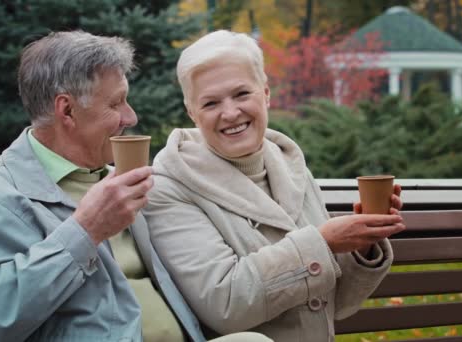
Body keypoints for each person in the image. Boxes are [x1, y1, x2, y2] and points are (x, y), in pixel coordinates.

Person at [0, 31, 272, 342]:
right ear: (67, 110)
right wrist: (84, 232)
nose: (131, 116)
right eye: (116, 104)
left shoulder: (117, 179)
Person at [143, 30, 406, 342]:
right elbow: (227, 305)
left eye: (242, 94)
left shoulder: (291, 166)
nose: (230, 113)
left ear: (265, 93)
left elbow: (334, 307)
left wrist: (361, 245)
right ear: (192, 112)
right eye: (211, 103)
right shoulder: (169, 186)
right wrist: (323, 243)